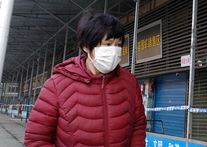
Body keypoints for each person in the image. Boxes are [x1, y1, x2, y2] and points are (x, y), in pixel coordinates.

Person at [24, 12, 146, 146]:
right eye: (108, 44)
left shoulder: (129, 81)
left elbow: (138, 126)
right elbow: (36, 139)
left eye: (118, 45)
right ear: (86, 47)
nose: (114, 50)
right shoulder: (57, 84)